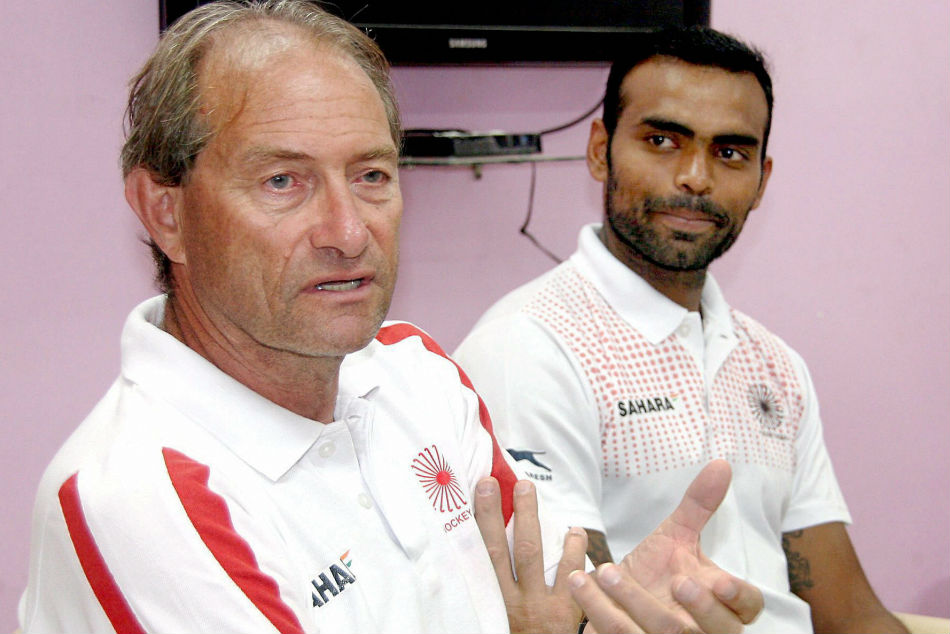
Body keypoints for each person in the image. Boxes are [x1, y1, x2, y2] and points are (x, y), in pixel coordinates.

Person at [18, 3, 763, 632]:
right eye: (284, 181)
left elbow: (533, 612)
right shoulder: (137, 499)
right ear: (166, 211)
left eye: (372, 175)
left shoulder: (420, 373)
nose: (348, 230)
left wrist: (613, 615)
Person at [454, 25, 907, 634]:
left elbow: (851, 615)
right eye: (663, 139)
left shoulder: (774, 364)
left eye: (729, 152)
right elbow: (573, 617)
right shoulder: (529, 348)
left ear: (762, 181)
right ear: (599, 149)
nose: (696, 176)